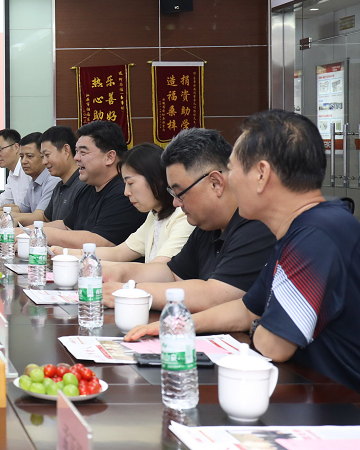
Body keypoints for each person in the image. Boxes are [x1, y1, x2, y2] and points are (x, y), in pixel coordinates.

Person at [126, 110, 360, 392]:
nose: (229, 181)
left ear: (261, 174)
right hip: (302, 390)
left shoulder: (316, 234)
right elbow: (246, 308)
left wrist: (259, 325)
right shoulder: (299, 229)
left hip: (336, 403)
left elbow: (274, 345)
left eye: (233, 168)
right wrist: (180, 324)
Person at [102, 128, 275, 312]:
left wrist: (131, 292)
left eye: (180, 193)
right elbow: (173, 274)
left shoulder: (257, 224)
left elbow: (217, 295)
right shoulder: (207, 225)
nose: (176, 203)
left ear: (215, 183)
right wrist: (121, 272)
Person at [51, 143, 194, 265]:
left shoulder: (183, 217)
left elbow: (159, 269)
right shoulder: (154, 214)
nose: (126, 192)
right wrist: (62, 253)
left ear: (156, 179)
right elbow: (118, 253)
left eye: (130, 183)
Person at [44, 121, 145, 248]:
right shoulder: (87, 188)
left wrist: (44, 233)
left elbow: (100, 241)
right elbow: (66, 226)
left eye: (83, 152)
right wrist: (30, 230)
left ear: (109, 157)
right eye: (76, 151)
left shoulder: (124, 192)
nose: (76, 158)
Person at [8, 132, 59, 225]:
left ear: (43, 157)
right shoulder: (34, 180)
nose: (23, 161)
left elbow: (40, 217)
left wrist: (8, 217)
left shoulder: (53, 180)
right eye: (21, 157)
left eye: (29, 156)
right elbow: (22, 210)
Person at [39, 126, 87, 223]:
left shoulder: (83, 186)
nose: (44, 162)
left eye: (47, 155)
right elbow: (47, 219)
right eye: (42, 157)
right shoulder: (59, 186)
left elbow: (69, 227)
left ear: (66, 150)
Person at [0, 129, 29, 217]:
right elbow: (4, 200)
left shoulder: (28, 170)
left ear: (16, 147)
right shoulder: (12, 172)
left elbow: (29, 210)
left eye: (0, 149)